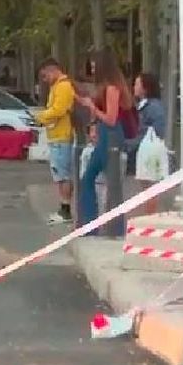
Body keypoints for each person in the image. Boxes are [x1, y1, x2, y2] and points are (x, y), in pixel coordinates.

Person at [76, 50, 133, 234]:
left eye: (94, 66)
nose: (92, 69)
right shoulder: (106, 88)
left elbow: (111, 118)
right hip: (104, 134)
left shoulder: (111, 89)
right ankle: (93, 224)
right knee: (94, 179)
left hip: (111, 136)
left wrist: (92, 107)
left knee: (103, 180)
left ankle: (101, 225)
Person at [34, 58, 77, 225]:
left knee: (63, 174)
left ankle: (66, 209)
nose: (45, 81)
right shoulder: (57, 87)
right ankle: (63, 207)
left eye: (45, 76)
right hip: (56, 135)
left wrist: (41, 117)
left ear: (52, 71)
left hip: (62, 136)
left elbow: (59, 110)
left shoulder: (63, 87)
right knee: (59, 175)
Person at [126, 72, 168, 214]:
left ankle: (150, 216)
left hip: (149, 150)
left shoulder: (153, 106)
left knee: (149, 186)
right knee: (146, 184)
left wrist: (130, 144)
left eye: (137, 84)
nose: (134, 87)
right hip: (144, 148)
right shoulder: (144, 105)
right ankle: (149, 215)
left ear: (145, 88)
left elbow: (157, 129)